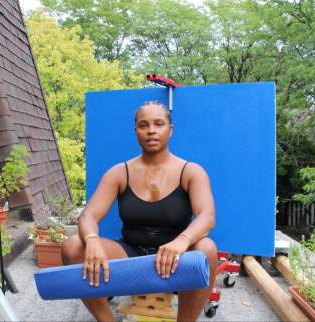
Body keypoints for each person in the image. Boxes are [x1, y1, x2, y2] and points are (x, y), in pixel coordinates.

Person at [61, 101, 218, 322]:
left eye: (158, 124)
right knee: (74, 245)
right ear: (136, 131)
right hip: (130, 254)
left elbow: (207, 217)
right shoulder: (119, 172)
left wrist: (181, 241)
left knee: (207, 248)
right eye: (144, 125)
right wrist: (92, 239)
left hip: (176, 258)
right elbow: (88, 215)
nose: (151, 130)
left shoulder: (191, 172)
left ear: (170, 130)